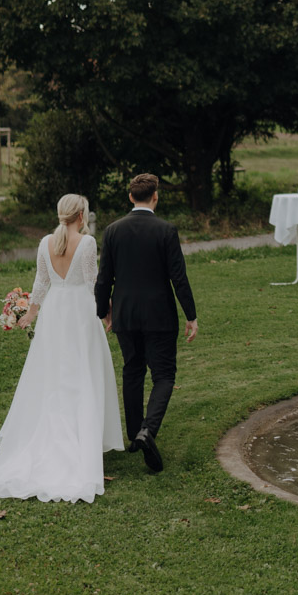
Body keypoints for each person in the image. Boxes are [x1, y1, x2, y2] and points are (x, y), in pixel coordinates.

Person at [0, 194, 122, 502]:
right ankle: (79, 442)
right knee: (82, 374)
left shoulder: (44, 242)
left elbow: (41, 282)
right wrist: (107, 312)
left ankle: (58, 434)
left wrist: (32, 312)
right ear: (81, 216)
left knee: (54, 374)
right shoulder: (87, 244)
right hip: (79, 312)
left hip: (55, 313)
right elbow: (93, 284)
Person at [95, 173, 198, 473]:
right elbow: (178, 277)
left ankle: (133, 435)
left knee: (133, 370)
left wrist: (104, 311)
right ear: (155, 196)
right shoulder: (166, 230)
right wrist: (190, 315)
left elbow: (104, 279)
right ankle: (147, 431)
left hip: (126, 315)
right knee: (164, 375)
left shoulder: (112, 231)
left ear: (130, 197)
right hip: (159, 316)